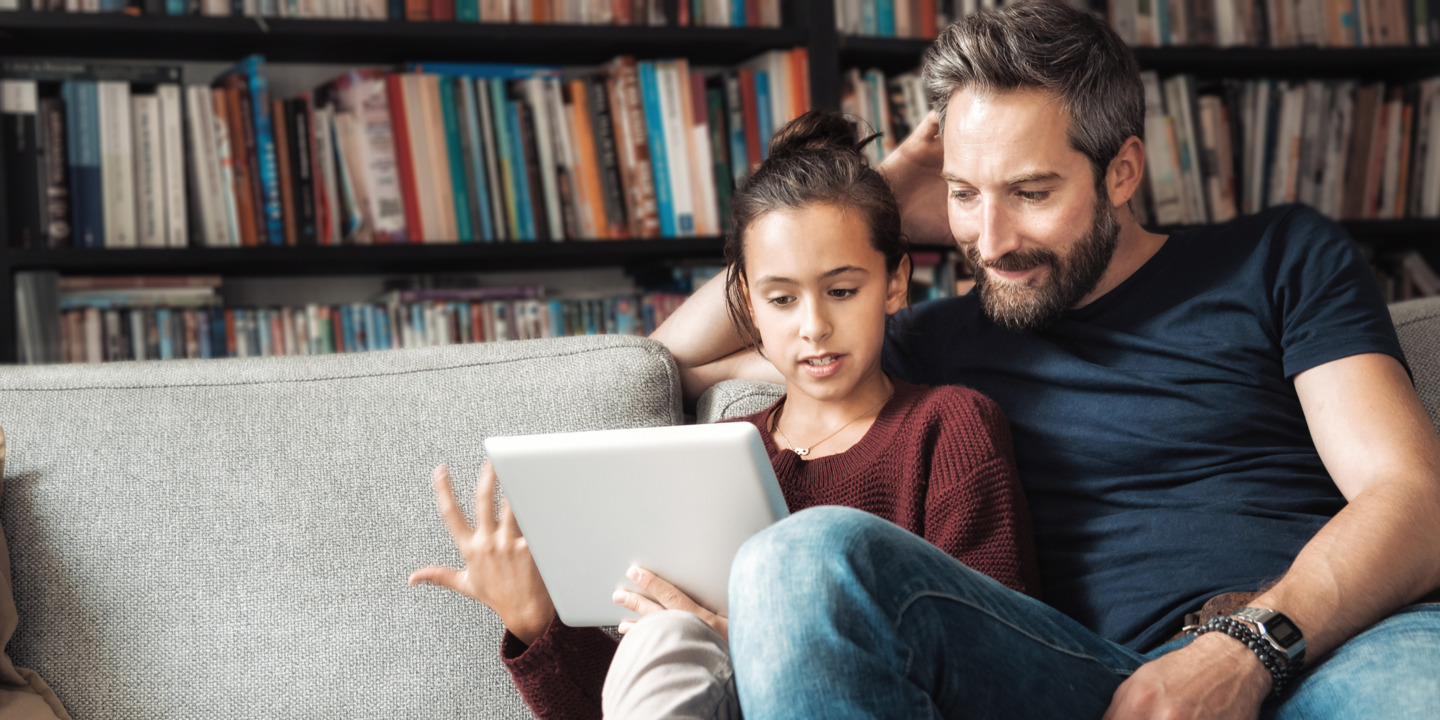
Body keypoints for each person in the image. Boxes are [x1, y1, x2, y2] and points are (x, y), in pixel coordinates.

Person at [651, 2, 1440, 718]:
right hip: (1092, 681)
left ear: (1122, 171)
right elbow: (668, 363)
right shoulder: (922, 342)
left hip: (1326, 642)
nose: (989, 243)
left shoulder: (1276, 258)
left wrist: (1246, 648)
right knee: (797, 559)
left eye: (1029, 193)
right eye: (964, 194)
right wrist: (860, 206)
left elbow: (1411, 494)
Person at [409, 110, 1042, 720]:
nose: (814, 327)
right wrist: (535, 622)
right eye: (782, 298)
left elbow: (992, 661)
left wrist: (765, 648)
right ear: (746, 305)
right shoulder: (714, 455)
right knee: (659, 643)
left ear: (895, 283)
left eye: (843, 291)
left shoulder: (948, 427)